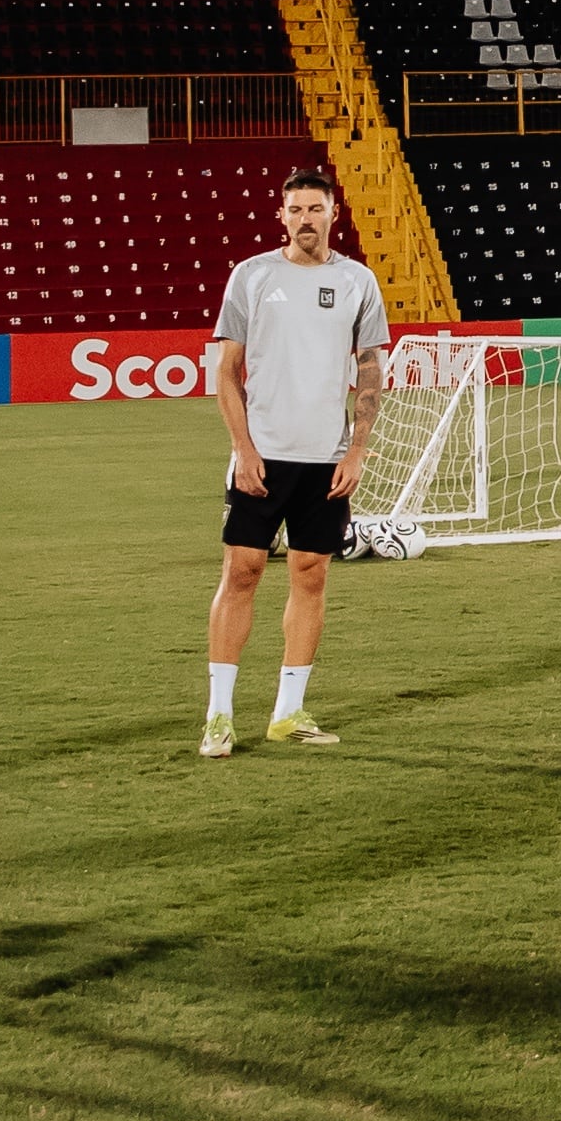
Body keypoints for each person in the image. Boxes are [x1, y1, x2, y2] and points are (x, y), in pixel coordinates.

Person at [200, 167, 390, 758]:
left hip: (327, 460)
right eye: (297, 209)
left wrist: (358, 449)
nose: (307, 218)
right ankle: (219, 717)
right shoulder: (252, 277)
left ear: (335, 213)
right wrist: (243, 449)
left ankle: (287, 713)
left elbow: (369, 370)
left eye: (317, 208)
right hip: (264, 457)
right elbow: (225, 373)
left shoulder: (359, 281)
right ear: (281, 216)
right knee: (243, 573)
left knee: (311, 575)